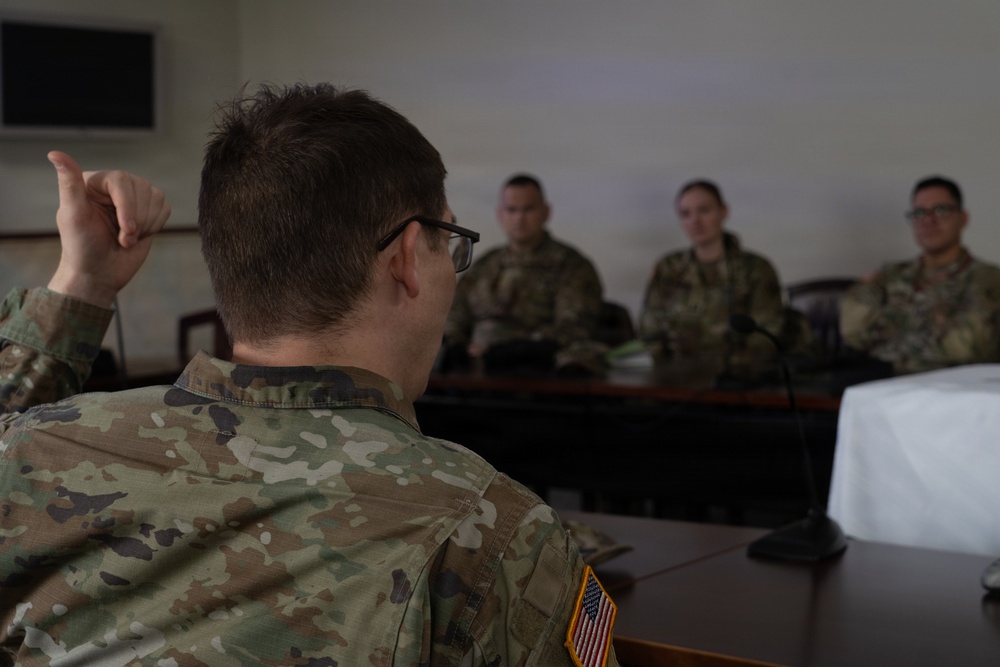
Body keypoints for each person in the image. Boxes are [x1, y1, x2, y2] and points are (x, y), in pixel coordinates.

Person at [0, 86, 619, 667]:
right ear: (407, 257)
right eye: (448, 242)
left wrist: (82, 284)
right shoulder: (491, 534)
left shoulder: (32, 453)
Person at [443, 174, 605, 374]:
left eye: (528, 209)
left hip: (538, 368)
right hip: (475, 368)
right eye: (512, 210)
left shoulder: (572, 266)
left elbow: (573, 329)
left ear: (545, 212)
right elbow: (453, 313)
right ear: (500, 215)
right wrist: (457, 345)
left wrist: (509, 350)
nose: (519, 218)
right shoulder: (484, 265)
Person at [840, 176, 1000, 374]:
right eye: (919, 212)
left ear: (962, 218)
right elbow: (854, 335)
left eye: (941, 210)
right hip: (889, 385)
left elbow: (967, 348)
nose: (928, 220)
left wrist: (890, 334)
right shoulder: (891, 276)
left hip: (962, 389)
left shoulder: (990, 280)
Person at [637, 179, 787, 371]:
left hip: (737, 377)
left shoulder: (755, 269)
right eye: (685, 214)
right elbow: (649, 329)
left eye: (704, 210)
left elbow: (765, 336)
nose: (695, 221)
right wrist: (665, 368)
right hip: (673, 376)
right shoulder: (668, 267)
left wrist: (724, 369)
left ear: (723, 212)